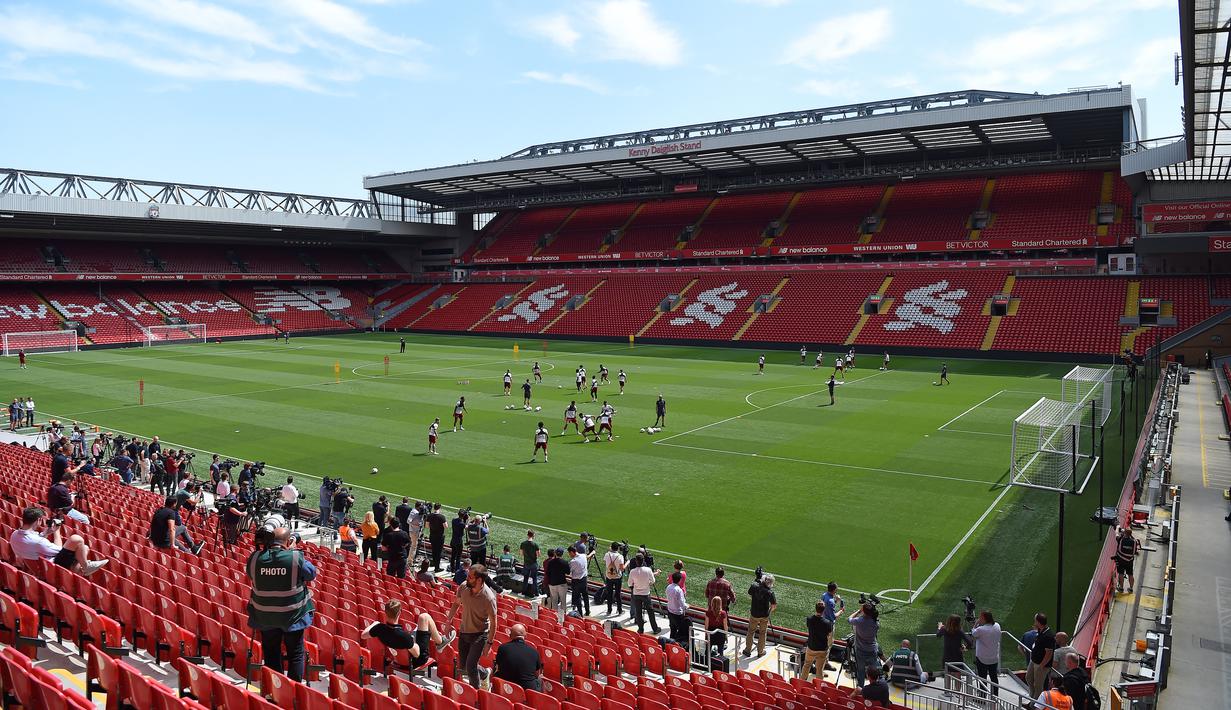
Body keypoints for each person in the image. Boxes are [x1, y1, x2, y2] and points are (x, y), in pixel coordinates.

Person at [246, 527, 316, 682]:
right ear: (288, 541)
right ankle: (294, 688)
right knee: (295, 654)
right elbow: (311, 573)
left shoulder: (255, 557)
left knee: (271, 653)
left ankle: (276, 688)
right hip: (293, 617)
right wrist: (292, 551)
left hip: (265, 616)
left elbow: (251, 574)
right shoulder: (295, 557)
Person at [10, 506, 108, 576]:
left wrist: (46, 533)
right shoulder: (38, 542)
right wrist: (57, 532)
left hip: (39, 567)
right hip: (51, 569)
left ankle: (82, 570)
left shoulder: (14, 535)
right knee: (76, 540)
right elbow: (59, 550)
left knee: (83, 549)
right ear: (39, 520)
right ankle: (86, 567)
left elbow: (32, 541)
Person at [444, 563, 499, 688]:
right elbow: (456, 604)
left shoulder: (489, 598)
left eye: (470, 577)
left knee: (471, 666)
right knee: (463, 666)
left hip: (480, 634)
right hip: (464, 631)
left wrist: (489, 643)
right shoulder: (464, 587)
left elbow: (494, 622)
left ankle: (476, 693)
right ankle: (485, 673)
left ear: (479, 580)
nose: (466, 578)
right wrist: (448, 621)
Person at [494, 623, 542, 691]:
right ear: (526, 636)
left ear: (510, 636)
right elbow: (537, 674)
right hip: (527, 689)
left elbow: (498, 667)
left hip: (505, 687)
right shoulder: (534, 652)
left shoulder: (502, 648)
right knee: (540, 679)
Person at [936, 614, 973, 694]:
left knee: (947, 674)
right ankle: (958, 693)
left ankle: (947, 692)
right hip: (957, 655)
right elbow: (970, 642)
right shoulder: (960, 631)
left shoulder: (944, 629)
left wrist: (939, 627)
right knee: (958, 675)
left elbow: (938, 635)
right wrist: (964, 648)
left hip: (947, 655)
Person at [848, 602, 881, 689]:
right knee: (873, 671)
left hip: (860, 650)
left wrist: (858, 611)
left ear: (864, 611)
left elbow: (849, 619)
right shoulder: (876, 624)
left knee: (861, 670)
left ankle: (860, 688)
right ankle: (875, 688)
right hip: (872, 650)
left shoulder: (859, 621)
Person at [970, 610, 1002, 700]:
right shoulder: (997, 626)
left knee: (982, 678)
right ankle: (995, 697)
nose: (979, 619)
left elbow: (973, 633)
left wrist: (975, 624)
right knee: (994, 678)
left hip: (982, 658)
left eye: (980, 617)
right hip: (994, 658)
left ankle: (983, 698)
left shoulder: (981, 629)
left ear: (984, 618)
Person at [1025, 612, 1056, 700]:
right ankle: (1032, 695)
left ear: (1038, 622)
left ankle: (1035, 703)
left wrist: (1041, 666)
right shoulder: (1040, 630)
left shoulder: (1048, 635)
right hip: (1034, 661)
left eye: (1035, 620)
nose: (1034, 622)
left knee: (1038, 685)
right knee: (1028, 678)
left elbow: (1049, 653)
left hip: (1041, 664)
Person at [744, 574, 777, 657]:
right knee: (762, 633)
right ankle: (760, 651)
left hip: (754, 613)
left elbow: (750, 594)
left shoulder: (754, 586)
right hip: (764, 615)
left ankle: (747, 650)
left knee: (751, 631)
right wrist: (769, 612)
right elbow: (773, 606)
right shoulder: (770, 592)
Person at [627, 554, 660, 634]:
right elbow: (653, 581)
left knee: (638, 612)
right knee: (650, 611)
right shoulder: (648, 570)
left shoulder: (632, 571)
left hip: (636, 594)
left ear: (636, 561)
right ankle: (655, 629)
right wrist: (647, 584)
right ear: (643, 561)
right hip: (646, 594)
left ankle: (640, 629)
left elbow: (629, 584)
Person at [800, 601, 833, 681]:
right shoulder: (827, 623)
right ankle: (818, 685)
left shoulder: (809, 619)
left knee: (807, 665)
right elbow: (830, 636)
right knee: (819, 669)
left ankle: (802, 681)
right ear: (824, 610)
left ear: (816, 609)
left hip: (811, 647)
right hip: (822, 649)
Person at [1114, 525, 1140, 593]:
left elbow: (1116, 534)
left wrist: (1117, 527)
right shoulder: (1134, 541)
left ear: (1125, 533)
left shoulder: (1121, 539)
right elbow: (1135, 550)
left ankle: (1121, 588)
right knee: (1130, 574)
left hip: (1121, 559)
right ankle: (1131, 588)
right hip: (1129, 560)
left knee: (1121, 573)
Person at [567, 544, 592, 616]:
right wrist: (592, 552)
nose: (569, 555)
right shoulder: (583, 556)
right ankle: (587, 611)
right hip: (584, 580)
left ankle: (580, 613)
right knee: (585, 596)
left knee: (577, 597)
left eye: (569, 553)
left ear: (572, 552)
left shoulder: (573, 561)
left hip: (576, 581)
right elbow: (588, 556)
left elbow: (569, 572)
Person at [665, 571, 689, 645]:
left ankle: (670, 645)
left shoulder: (668, 587)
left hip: (670, 611)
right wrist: (687, 606)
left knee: (672, 629)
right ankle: (677, 645)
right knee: (680, 631)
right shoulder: (679, 590)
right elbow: (682, 603)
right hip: (677, 614)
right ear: (679, 580)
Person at [602, 542, 625, 615]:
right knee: (618, 594)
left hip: (609, 577)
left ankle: (609, 610)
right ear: (618, 548)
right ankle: (620, 610)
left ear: (611, 547)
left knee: (609, 593)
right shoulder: (620, 556)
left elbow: (605, 561)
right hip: (617, 577)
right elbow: (622, 569)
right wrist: (627, 563)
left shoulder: (607, 554)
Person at [520, 530, 541, 599]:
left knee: (525, 578)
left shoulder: (523, 543)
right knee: (534, 579)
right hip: (533, 564)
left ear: (527, 535)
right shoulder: (535, 545)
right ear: (533, 535)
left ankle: (523, 592)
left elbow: (521, 553)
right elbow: (539, 555)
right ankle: (536, 594)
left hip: (526, 563)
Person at [426, 503, 447, 571]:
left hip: (432, 535)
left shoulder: (429, 516)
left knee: (434, 551)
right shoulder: (442, 517)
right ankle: (437, 567)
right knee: (438, 552)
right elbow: (446, 526)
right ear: (439, 508)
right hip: (439, 537)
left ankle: (435, 563)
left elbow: (426, 526)